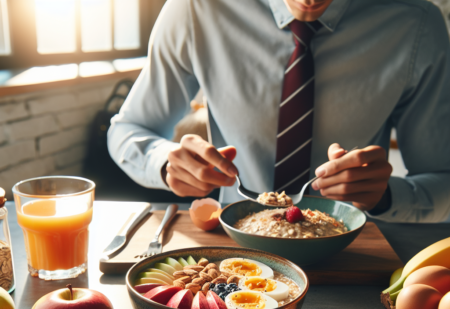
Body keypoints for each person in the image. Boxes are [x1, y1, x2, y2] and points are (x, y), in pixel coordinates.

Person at [107, 0, 450, 223]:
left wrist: (387, 195)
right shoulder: (196, 9)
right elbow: (128, 129)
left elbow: (442, 179)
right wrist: (166, 162)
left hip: (354, 258)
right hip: (230, 251)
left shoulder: (417, 26)